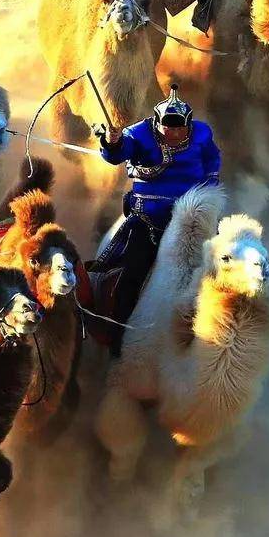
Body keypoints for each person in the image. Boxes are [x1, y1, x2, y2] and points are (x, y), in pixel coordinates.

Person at [91, 84, 221, 355]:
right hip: (149, 220)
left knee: (219, 266)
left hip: (193, 216)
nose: (173, 133)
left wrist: (209, 184)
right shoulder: (139, 133)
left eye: (179, 128)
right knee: (132, 275)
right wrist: (112, 143)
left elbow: (212, 158)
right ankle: (118, 336)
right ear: (156, 123)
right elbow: (118, 154)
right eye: (167, 127)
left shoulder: (202, 133)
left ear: (189, 123)